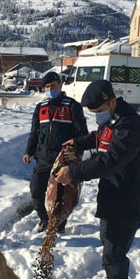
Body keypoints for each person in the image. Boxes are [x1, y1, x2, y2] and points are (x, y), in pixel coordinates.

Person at [54, 80, 140, 279]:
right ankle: (113, 278)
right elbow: (100, 138)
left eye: (98, 112)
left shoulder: (131, 126)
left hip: (129, 195)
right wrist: (77, 142)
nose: (96, 117)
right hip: (113, 192)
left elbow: (111, 160)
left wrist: (74, 172)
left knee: (114, 250)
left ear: (111, 100)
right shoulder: (113, 120)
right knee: (107, 239)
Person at [23, 71, 88, 233]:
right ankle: (45, 220)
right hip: (43, 157)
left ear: (60, 85)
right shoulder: (41, 108)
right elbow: (34, 133)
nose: (50, 89)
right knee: (36, 190)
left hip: (63, 159)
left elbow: (82, 134)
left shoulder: (72, 106)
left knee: (60, 195)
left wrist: (77, 153)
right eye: (46, 87)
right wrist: (28, 151)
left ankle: (59, 224)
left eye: (52, 86)